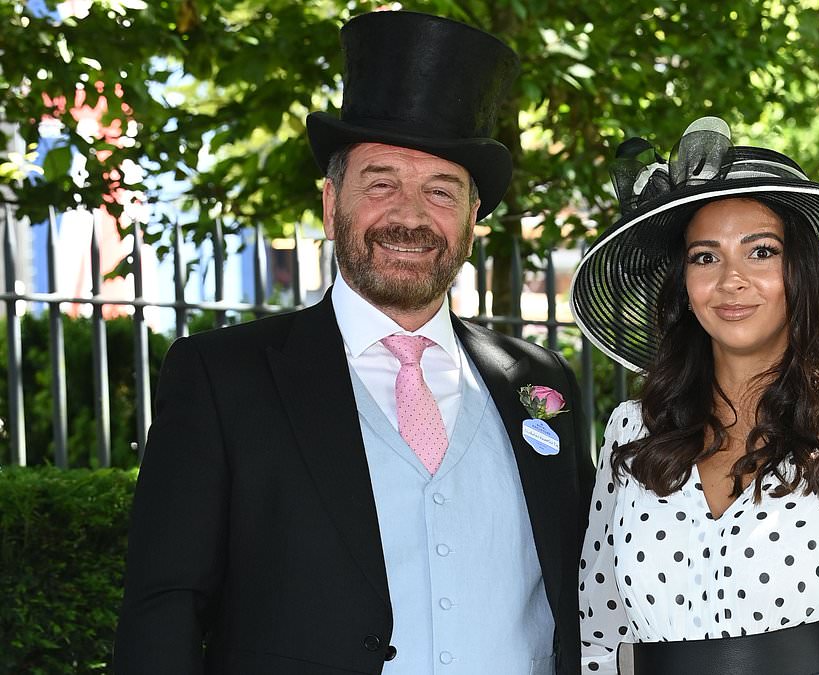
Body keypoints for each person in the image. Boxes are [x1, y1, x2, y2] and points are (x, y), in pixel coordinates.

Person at [115, 11, 593, 675]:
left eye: (441, 190)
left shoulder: (540, 383)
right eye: (381, 182)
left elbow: (588, 587)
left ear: (472, 218)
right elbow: (162, 611)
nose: (410, 215)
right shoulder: (223, 378)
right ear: (331, 200)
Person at [570, 117, 819, 674]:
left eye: (761, 251)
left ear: (801, 271)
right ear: (684, 282)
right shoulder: (634, 432)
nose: (731, 279)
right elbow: (597, 633)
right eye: (705, 256)